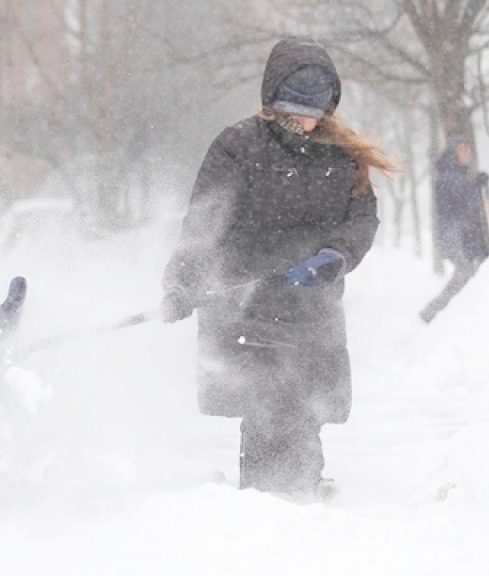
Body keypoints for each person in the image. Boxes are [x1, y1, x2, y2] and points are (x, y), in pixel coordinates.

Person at [159, 37, 394, 500]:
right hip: (247, 306)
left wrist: (336, 255)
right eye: (294, 110)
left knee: (306, 406)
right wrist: (181, 284)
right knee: (267, 405)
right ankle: (269, 505)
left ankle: (301, 497)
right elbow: (203, 223)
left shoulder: (340, 156)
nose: (305, 121)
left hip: (312, 307)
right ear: (272, 104)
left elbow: (361, 218)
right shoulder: (237, 147)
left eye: (313, 112)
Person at [419, 137, 489, 323]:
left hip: (459, 235)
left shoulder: (456, 174)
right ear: (453, 154)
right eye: (462, 151)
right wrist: (476, 184)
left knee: (467, 273)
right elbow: (461, 199)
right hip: (453, 237)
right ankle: (436, 313)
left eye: (467, 151)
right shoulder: (448, 175)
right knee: (466, 273)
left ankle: (439, 312)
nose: (466, 155)